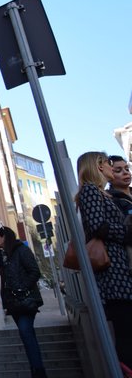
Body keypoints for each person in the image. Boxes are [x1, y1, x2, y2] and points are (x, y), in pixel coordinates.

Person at [76, 151, 132, 369]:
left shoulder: (102, 194)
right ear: (99, 166)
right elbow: (98, 225)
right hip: (113, 273)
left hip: (120, 272)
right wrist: (127, 232)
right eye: (109, 164)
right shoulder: (90, 191)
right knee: (126, 333)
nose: (112, 168)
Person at [0, 226, 46, 378]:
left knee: (26, 333)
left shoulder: (21, 250)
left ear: (4, 237)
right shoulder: (4, 255)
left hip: (27, 301)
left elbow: (35, 271)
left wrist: (22, 288)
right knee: (27, 336)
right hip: (15, 304)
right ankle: (36, 370)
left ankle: (38, 372)